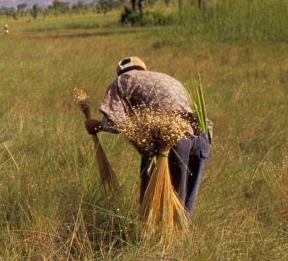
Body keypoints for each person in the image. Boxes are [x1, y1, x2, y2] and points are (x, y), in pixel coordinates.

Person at [85, 56, 211, 219]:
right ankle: (183, 241)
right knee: (184, 209)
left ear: (120, 72)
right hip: (200, 138)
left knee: (162, 209)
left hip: (171, 140)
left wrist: (97, 125)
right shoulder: (166, 78)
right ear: (143, 69)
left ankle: (158, 240)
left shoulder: (122, 81)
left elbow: (114, 123)